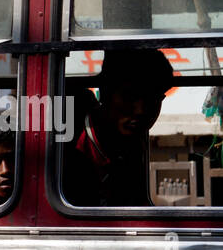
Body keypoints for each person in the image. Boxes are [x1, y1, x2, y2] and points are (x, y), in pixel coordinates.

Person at [62, 48, 174, 207]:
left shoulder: (132, 149)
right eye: (129, 97)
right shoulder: (64, 135)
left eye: (152, 100)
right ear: (105, 92)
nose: (140, 111)